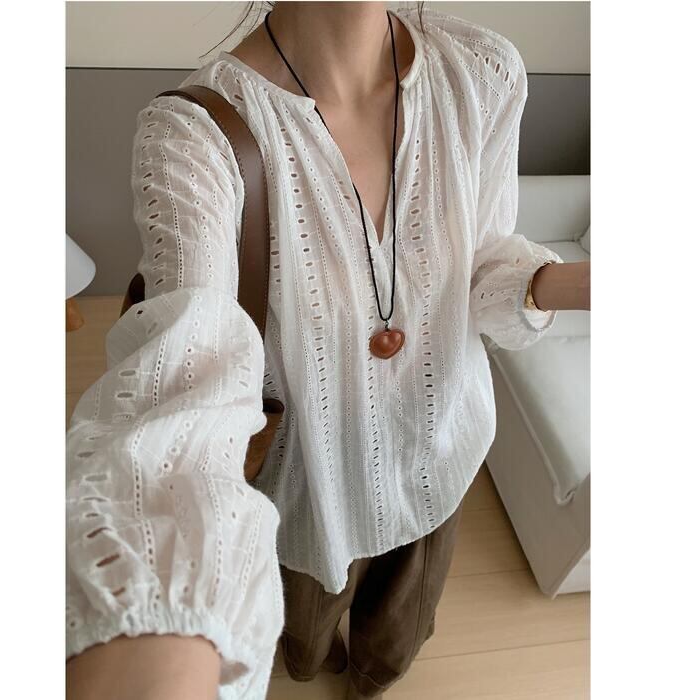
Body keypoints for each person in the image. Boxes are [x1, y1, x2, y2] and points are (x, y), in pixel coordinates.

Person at [65, 2, 591, 699]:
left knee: (398, 638)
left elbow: (483, 258)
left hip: (441, 455)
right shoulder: (195, 136)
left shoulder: (484, 72)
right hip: (310, 488)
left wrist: (571, 284)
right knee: (309, 642)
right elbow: (183, 392)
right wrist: (151, 636)